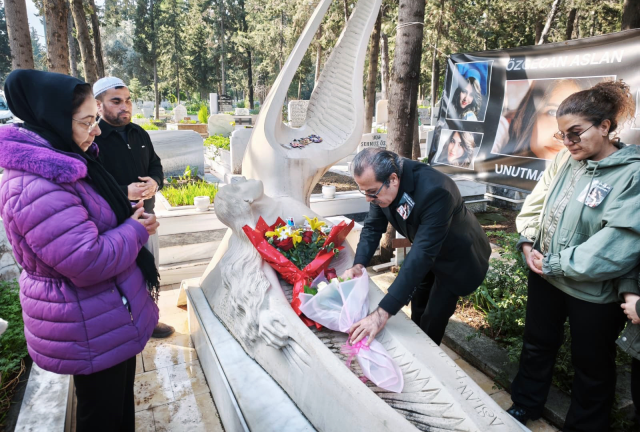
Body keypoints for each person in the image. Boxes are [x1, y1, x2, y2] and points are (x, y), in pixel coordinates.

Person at [0, 70, 160, 431]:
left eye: (94, 120)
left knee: (118, 407)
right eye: (87, 122)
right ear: (55, 121)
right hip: (84, 321)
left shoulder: (67, 159)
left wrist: (126, 215)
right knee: (101, 416)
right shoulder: (36, 183)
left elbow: (86, 222)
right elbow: (86, 260)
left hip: (103, 315)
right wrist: (135, 229)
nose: (96, 131)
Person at [507, 80, 640, 431]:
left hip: (593, 291)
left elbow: (618, 243)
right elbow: (536, 204)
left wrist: (554, 263)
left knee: (592, 365)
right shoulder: (566, 159)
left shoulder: (633, 174)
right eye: (563, 134)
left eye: (576, 133)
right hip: (546, 276)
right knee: (537, 344)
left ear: (605, 126)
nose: (567, 142)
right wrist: (528, 242)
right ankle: (525, 403)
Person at [342, 148, 491, 346]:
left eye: (371, 193)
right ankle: (415, 345)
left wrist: (381, 314)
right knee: (418, 303)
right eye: (364, 192)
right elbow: (372, 227)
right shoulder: (379, 183)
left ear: (393, 179)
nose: (368, 199)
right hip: (426, 247)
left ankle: (426, 354)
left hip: (456, 257)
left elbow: (422, 253)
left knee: (434, 316)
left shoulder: (436, 191)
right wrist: (359, 264)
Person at [92, 77, 174, 339]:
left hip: (146, 219)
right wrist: (124, 191)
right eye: (116, 101)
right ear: (98, 105)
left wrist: (155, 182)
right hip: (113, 224)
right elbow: (91, 183)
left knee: (148, 270)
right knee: (123, 278)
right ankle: (125, 327)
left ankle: (148, 320)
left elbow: (155, 165)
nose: (124, 106)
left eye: (127, 100)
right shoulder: (93, 138)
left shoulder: (139, 133)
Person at [493, 77, 606, 160]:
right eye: (552, 113)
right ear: (530, 116)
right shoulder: (501, 132)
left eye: (581, 119)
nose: (561, 137)